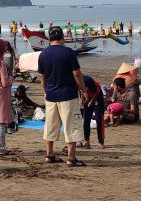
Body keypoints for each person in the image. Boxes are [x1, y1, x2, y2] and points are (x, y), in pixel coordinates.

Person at [38, 26, 88, 167]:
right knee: (71, 126)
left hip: (51, 95)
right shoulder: (68, 53)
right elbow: (77, 74)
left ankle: (49, 154)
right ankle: (71, 158)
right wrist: (83, 90)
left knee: (50, 126)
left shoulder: (43, 54)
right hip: (68, 95)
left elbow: (42, 77)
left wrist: (46, 91)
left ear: (49, 38)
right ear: (63, 37)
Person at [80, 75, 106, 149]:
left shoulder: (87, 80)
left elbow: (96, 91)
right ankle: (86, 140)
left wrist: (92, 101)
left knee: (99, 120)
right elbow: (80, 90)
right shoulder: (74, 81)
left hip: (97, 97)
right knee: (86, 120)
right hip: (88, 96)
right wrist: (81, 98)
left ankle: (101, 142)